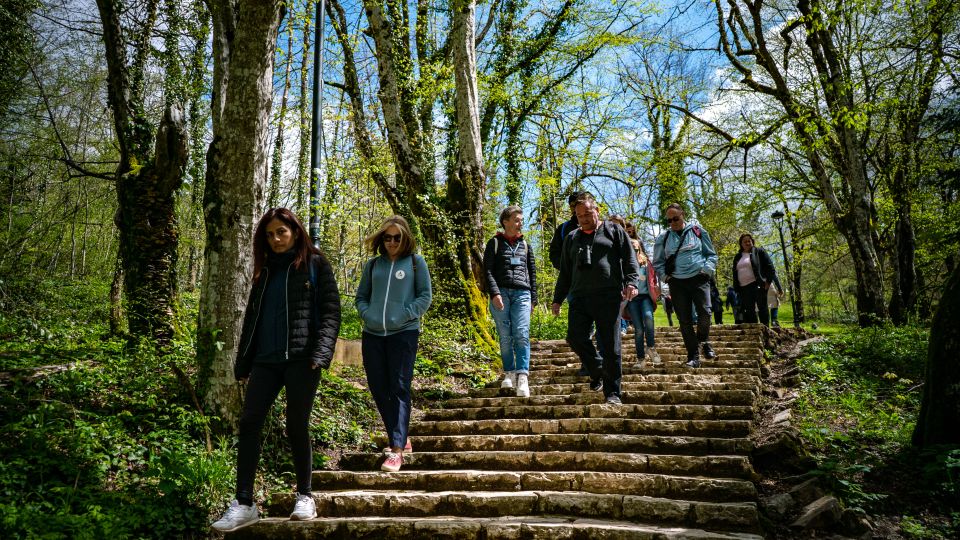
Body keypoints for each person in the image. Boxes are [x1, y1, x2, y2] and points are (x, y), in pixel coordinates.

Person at [212, 208, 341, 532]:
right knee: (249, 422)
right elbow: (251, 319)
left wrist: (321, 352)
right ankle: (244, 503)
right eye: (270, 234)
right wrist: (243, 362)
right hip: (266, 361)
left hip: (302, 358)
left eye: (281, 232)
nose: (276, 239)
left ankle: (305, 496)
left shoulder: (315, 264)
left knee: (296, 424)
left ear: (295, 232)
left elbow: (330, 312)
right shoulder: (263, 271)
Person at [356, 216, 433, 473]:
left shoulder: (415, 263)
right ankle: (400, 437)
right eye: (387, 237)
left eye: (396, 238)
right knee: (379, 387)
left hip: (404, 333)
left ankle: (396, 450)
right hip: (373, 334)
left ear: (405, 238)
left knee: (399, 386)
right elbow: (361, 297)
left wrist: (404, 315)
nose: (391, 242)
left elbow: (425, 296)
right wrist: (369, 315)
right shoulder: (373, 265)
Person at [552, 193, 640, 405]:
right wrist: (557, 299)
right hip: (579, 296)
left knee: (611, 345)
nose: (584, 218)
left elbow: (629, 258)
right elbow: (565, 272)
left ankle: (613, 393)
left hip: (608, 295)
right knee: (575, 337)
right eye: (579, 215)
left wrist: (632, 282)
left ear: (597, 210)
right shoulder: (572, 237)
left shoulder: (613, 230)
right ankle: (598, 369)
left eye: (588, 213)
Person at [652, 203, 718, 368]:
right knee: (684, 320)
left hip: (699, 278)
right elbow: (657, 262)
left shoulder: (698, 231)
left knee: (705, 313)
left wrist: (706, 270)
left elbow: (711, 254)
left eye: (676, 218)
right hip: (677, 282)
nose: (673, 222)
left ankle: (703, 341)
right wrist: (665, 277)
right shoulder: (663, 238)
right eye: (669, 220)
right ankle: (693, 355)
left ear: (683, 214)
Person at [483, 205, 537, 398]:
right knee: (505, 337)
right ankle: (509, 373)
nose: (520, 223)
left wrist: (534, 300)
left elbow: (532, 273)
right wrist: (494, 293)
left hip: (523, 294)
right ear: (505, 222)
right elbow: (487, 270)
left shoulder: (525, 245)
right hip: (501, 293)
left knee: (521, 333)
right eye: (516, 219)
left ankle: (523, 377)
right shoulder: (494, 243)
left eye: (521, 219)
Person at [548, 191, 590, 376]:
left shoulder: (601, 225)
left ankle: (598, 362)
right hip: (574, 284)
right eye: (573, 205)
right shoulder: (564, 229)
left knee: (601, 326)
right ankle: (588, 362)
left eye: (580, 203)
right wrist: (568, 267)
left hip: (600, 284)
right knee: (578, 328)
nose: (576, 208)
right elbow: (554, 254)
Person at [731, 233, 780, 326]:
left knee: (762, 308)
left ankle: (765, 329)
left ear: (752, 242)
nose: (747, 243)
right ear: (741, 244)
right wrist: (736, 286)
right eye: (744, 241)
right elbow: (735, 272)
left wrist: (768, 282)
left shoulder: (759, 251)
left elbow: (770, 267)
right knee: (749, 310)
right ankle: (754, 330)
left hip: (757, 284)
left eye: (749, 241)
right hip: (743, 288)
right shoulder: (738, 256)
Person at [625, 238, 661, 367]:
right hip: (632, 299)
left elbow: (653, 279)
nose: (633, 250)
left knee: (648, 318)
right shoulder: (624, 263)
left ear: (639, 247)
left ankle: (651, 347)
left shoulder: (646, 262)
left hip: (646, 296)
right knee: (639, 329)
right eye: (630, 248)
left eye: (635, 247)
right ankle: (641, 359)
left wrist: (656, 288)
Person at [608, 214, 630, 337]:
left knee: (619, 306)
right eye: (611, 224)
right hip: (608, 281)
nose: (614, 227)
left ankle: (622, 326)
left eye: (617, 224)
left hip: (623, 281)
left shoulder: (627, 242)